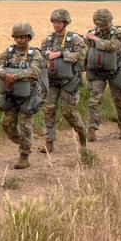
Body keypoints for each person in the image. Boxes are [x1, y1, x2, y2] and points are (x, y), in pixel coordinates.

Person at [0, 22, 45, 169]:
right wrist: (5, 74)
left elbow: (35, 71)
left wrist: (15, 76)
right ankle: (22, 142)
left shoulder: (35, 53)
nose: (19, 40)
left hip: (27, 95)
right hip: (10, 94)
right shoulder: (9, 51)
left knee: (26, 126)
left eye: (22, 37)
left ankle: (24, 156)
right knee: (6, 124)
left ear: (28, 37)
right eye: (16, 37)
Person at [39, 8, 87, 153]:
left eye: (59, 22)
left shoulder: (75, 39)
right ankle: (49, 143)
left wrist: (60, 54)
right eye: (54, 22)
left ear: (65, 23)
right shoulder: (48, 39)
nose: (56, 25)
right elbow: (41, 57)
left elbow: (82, 54)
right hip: (52, 81)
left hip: (69, 80)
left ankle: (81, 133)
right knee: (48, 110)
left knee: (68, 111)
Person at [85, 8, 121, 140]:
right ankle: (91, 130)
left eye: (104, 24)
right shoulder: (95, 32)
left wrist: (93, 38)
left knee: (119, 100)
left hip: (115, 72)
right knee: (94, 101)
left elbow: (112, 46)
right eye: (99, 25)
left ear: (110, 21)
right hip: (97, 72)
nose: (102, 27)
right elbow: (87, 47)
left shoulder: (119, 32)